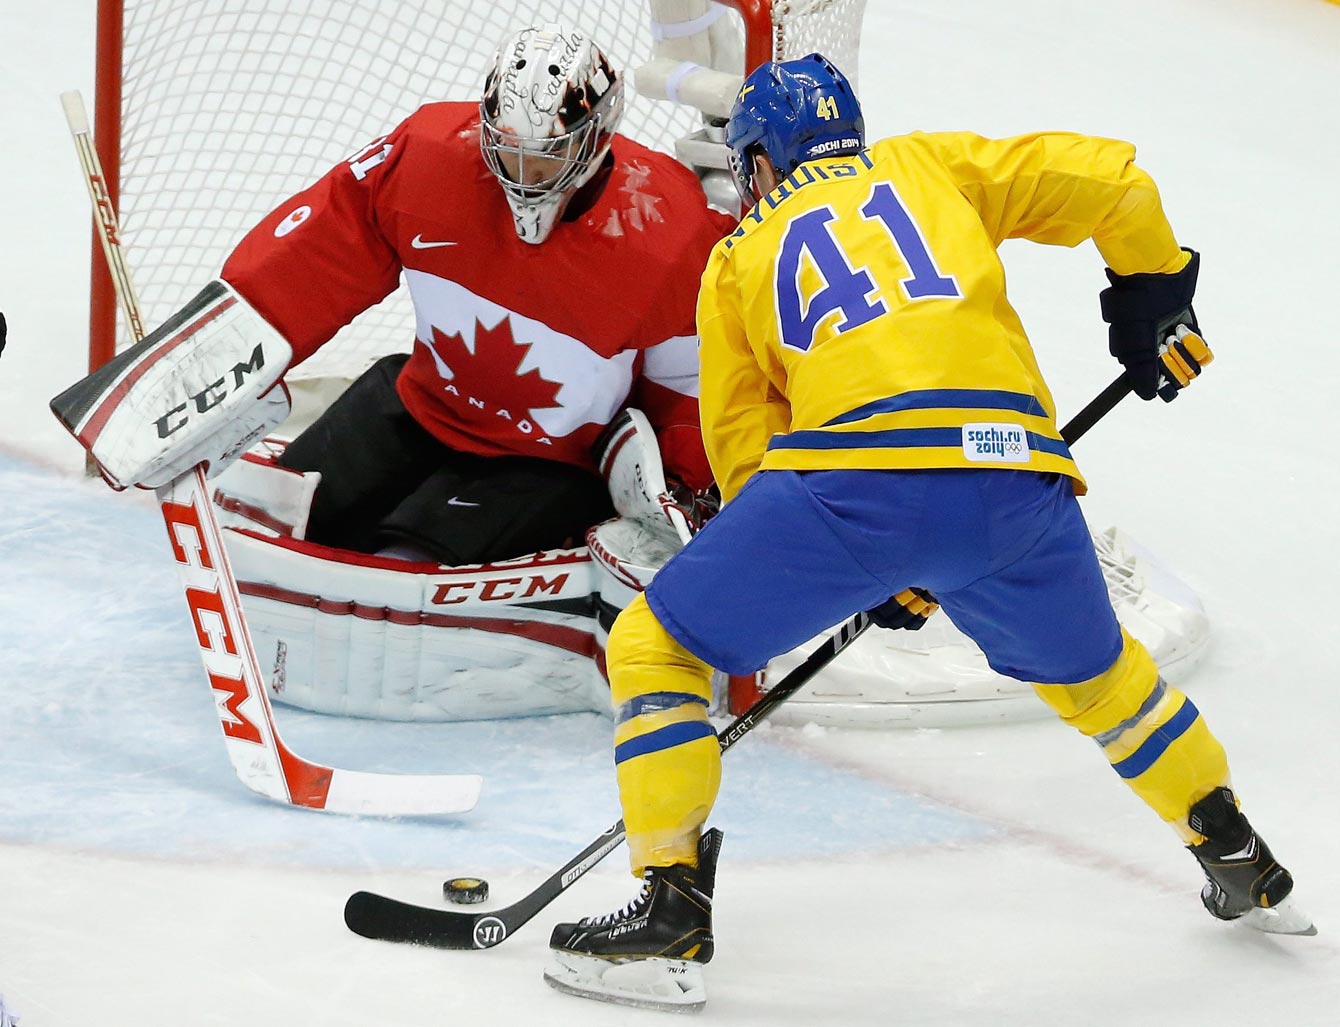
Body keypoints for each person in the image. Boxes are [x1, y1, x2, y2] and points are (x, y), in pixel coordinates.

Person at [543, 54, 1312, 1012]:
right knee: (1103, 679)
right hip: (1018, 480)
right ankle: (1234, 847)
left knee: (657, 644)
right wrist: (1151, 296)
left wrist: (862, 567)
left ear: (759, 162)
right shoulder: (928, 165)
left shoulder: (739, 257)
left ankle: (668, 910)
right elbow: (1115, 181)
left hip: (856, 481)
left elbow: (749, 460)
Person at [217, 23, 735, 565]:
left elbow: (689, 381)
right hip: (420, 405)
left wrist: (682, 485)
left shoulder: (672, 234)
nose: (522, 175)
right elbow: (324, 244)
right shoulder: (431, 154)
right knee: (274, 520)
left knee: (402, 567)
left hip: (547, 463)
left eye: (545, 156)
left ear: (597, 136)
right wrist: (239, 329)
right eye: (508, 151)